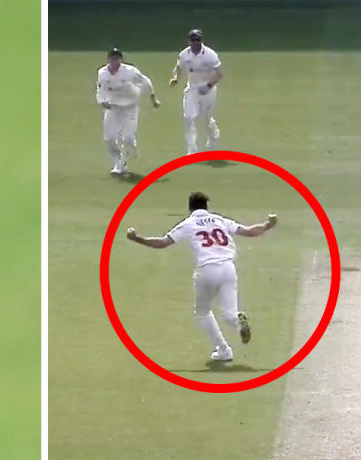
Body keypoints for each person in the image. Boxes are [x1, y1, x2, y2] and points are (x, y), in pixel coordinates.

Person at [126, 192, 277, 361]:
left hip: (207, 269)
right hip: (228, 268)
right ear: (207, 206)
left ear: (190, 208)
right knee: (229, 313)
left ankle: (223, 350)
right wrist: (267, 225)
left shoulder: (188, 224)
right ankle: (237, 321)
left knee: (202, 312)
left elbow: (162, 243)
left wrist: (137, 238)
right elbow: (249, 231)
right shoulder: (219, 219)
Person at [95, 47, 160, 176]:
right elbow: (100, 89)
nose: (115, 61)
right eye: (113, 59)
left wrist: (153, 98)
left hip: (130, 107)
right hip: (113, 107)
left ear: (121, 59)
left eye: (118, 58)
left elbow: (146, 81)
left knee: (128, 138)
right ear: (108, 60)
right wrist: (102, 101)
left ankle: (123, 162)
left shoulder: (129, 71)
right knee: (109, 139)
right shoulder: (102, 73)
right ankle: (118, 162)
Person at [168, 28, 222, 155]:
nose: (195, 42)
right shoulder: (184, 54)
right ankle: (192, 150)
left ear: (201, 40)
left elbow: (219, 73)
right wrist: (176, 78)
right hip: (192, 88)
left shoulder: (210, 54)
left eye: (197, 40)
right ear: (189, 41)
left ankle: (213, 137)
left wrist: (208, 86)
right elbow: (178, 67)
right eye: (193, 40)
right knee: (188, 118)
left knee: (205, 119)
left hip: (208, 88)